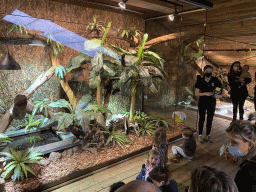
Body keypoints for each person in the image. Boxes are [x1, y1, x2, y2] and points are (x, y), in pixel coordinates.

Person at [195, 65, 224, 143]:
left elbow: (220, 88)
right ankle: (200, 134)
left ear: (212, 72)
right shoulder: (200, 80)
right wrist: (205, 93)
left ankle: (208, 134)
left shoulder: (215, 79)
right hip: (202, 102)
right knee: (202, 118)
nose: (208, 72)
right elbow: (196, 93)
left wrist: (218, 93)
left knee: (210, 119)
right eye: (207, 71)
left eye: (210, 71)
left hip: (212, 102)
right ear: (204, 71)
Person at [226, 120, 256, 192]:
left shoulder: (246, 173)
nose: (229, 146)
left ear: (250, 145)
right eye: (229, 141)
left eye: (234, 142)